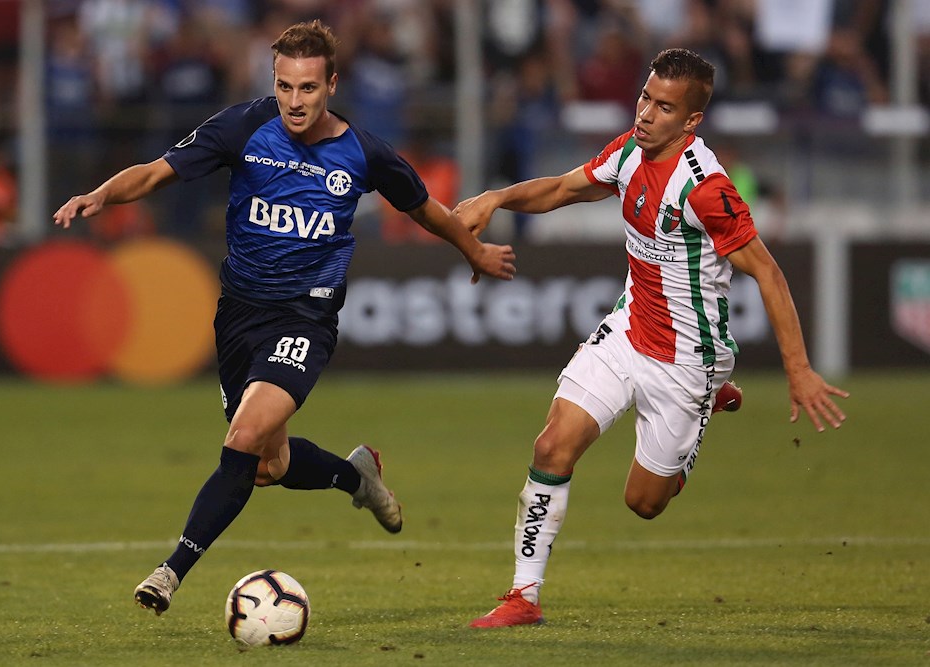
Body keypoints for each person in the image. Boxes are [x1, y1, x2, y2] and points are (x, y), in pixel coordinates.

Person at [53, 19, 516, 616]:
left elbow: (425, 209)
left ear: (331, 85)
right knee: (268, 465)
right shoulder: (242, 126)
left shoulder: (364, 153)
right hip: (239, 316)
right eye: (284, 87)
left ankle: (171, 572)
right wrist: (102, 194)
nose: (295, 102)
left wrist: (473, 249)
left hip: (306, 317)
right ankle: (358, 479)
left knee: (241, 439)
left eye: (308, 89)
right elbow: (156, 173)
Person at [455, 48, 848, 628]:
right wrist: (497, 197)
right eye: (645, 97)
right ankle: (523, 596)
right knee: (550, 448)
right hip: (628, 329)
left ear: (691, 121)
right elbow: (565, 189)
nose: (645, 113)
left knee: (644, 504)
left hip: (690, 359)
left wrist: (798, 369)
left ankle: (711, 399)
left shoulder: (707, 189)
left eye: (664, 107)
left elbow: (767, 271)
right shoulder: (628, 152)